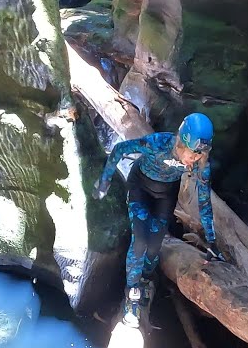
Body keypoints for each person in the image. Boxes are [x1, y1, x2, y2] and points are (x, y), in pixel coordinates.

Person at [93, 113, 224, 328]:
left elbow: (204, 201)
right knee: (140, 242)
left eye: (200, 154)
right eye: (193, 153)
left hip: (165, 195)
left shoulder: (200, 165)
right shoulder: (158, 143)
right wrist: (104, 181)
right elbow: (120, 149)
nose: (195, 159)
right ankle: (132, 294)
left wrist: (211, 241)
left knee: (154, 247)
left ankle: (145, 280)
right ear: (182, 143)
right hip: (140, 188)